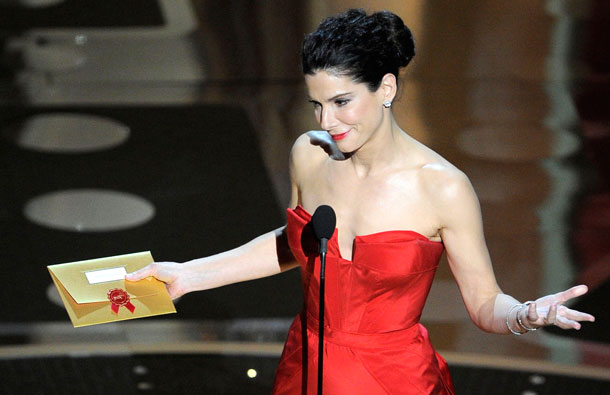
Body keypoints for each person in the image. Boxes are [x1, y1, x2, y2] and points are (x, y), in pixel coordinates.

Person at [126, 9, 595, 394]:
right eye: (317, 104)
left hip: (393, 381)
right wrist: (189, 275)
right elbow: (297, 243)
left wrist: (526, 314)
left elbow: (485, 304)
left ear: (385, 89)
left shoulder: (442, 187)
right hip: (305, 368)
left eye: (342, 102)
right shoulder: (309, 155)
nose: (327, 120)